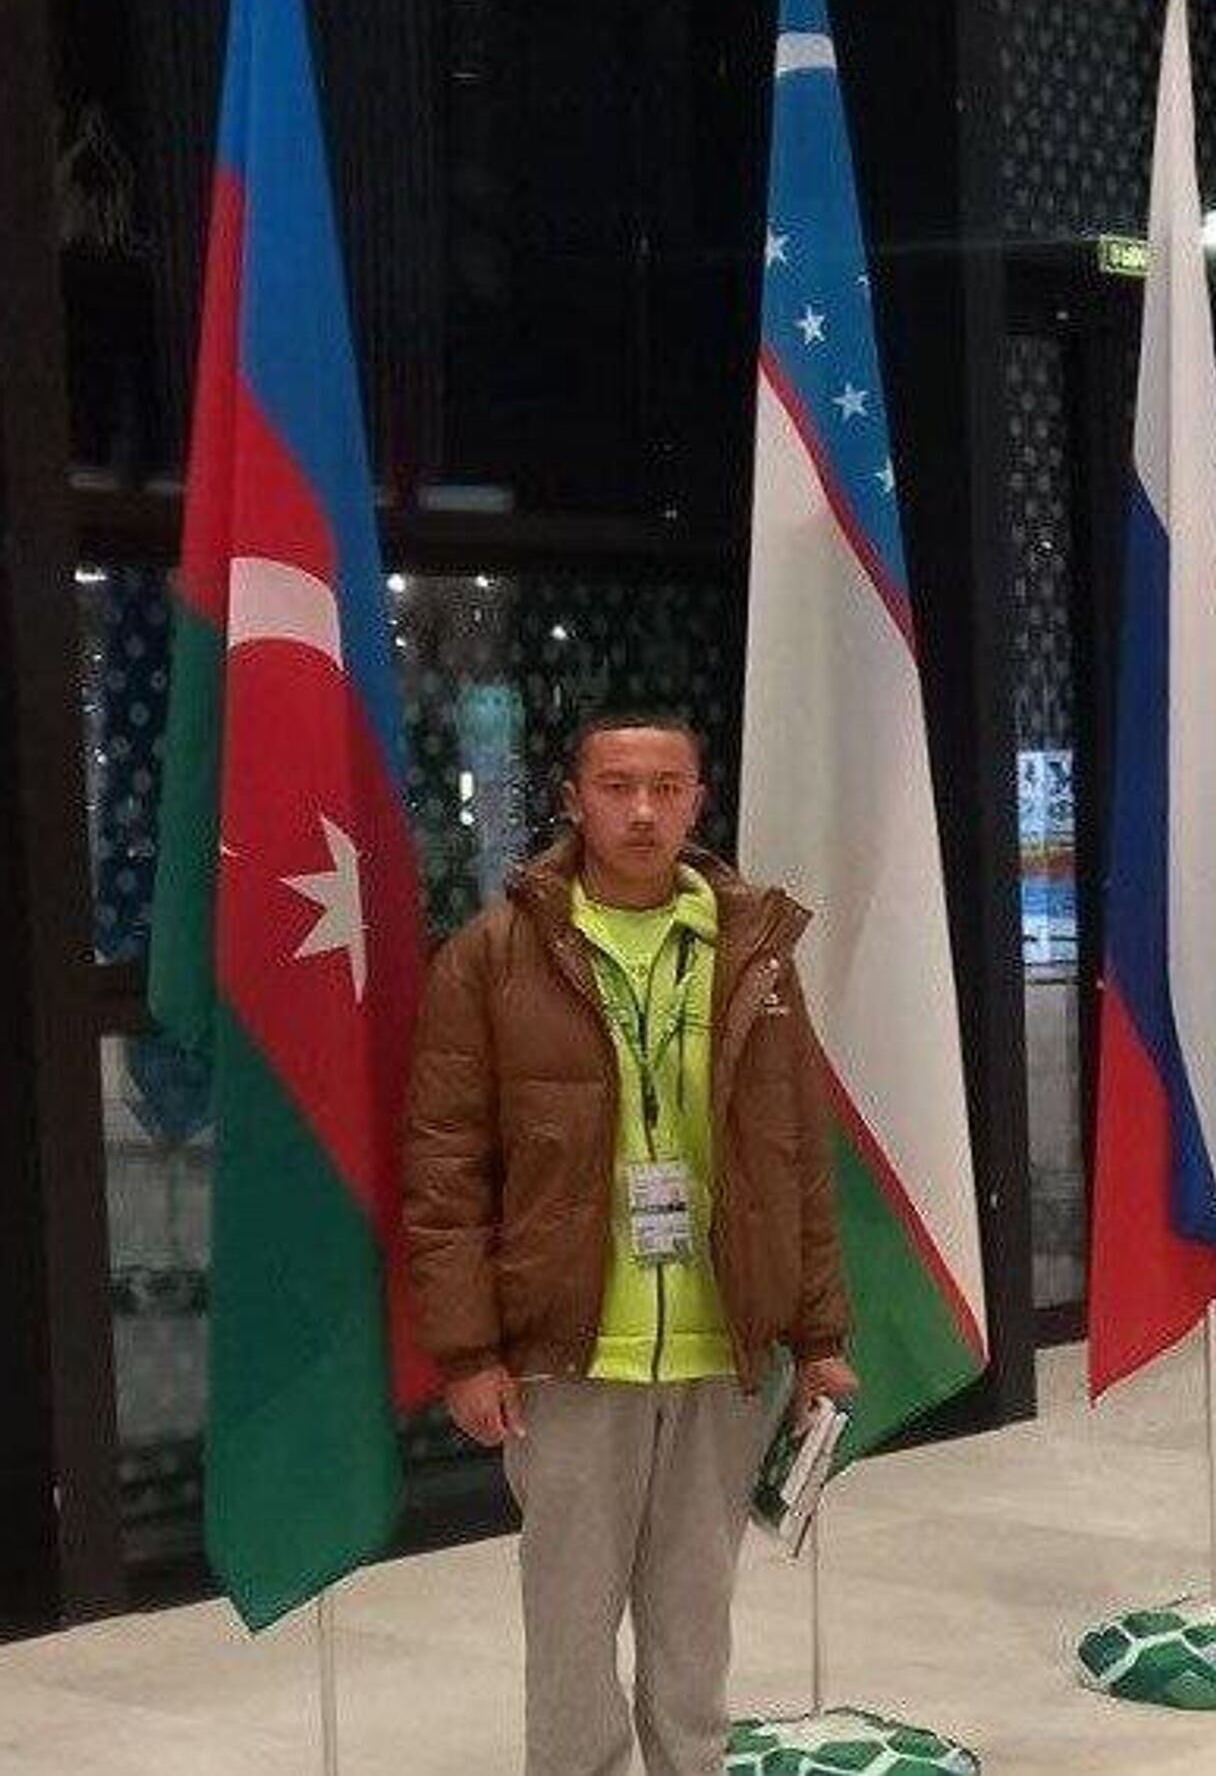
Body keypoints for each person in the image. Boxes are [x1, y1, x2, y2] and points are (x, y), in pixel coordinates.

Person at [404, 708, 858, 1776]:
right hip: (570, 1355)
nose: (643, 811)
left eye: (667, 787)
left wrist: (820, 1336)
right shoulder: (493, 956)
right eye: (617, 787)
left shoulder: (755, 953)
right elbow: (443, 1170)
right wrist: (467, 1351)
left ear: (699, 800)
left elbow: (797, 1156)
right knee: (569, 1623)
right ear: (574, 800)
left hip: (722, 1346)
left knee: (696, 1618)